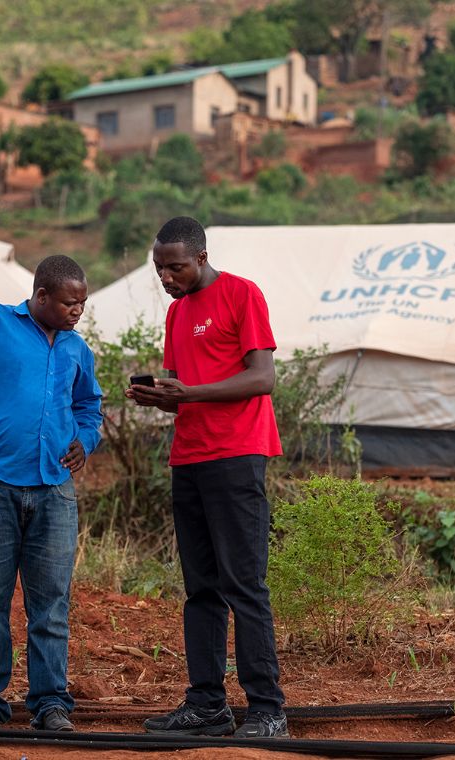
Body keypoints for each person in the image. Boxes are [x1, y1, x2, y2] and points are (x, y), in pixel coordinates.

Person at [127, 217, 288, 739]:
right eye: (159, 269)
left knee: (244, 584)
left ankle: (267, 710)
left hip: (237, 455)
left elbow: (262, 378)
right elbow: (182, 388)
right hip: (189, 458)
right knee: (200, 589)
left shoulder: (242, 293)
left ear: (200, 258)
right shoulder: (177, 314)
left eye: (174, 267)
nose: (166, 277)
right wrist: (161, 396)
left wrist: (187, 394)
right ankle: (207, 705)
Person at [0, 254, 103, 733]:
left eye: (82, 303)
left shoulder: (77, 349)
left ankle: (50, 702)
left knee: (51, 601)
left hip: (55, 489)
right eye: (68, 302)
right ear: (40, 297)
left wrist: (86, 440)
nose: (77, 310)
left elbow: (89, 406)